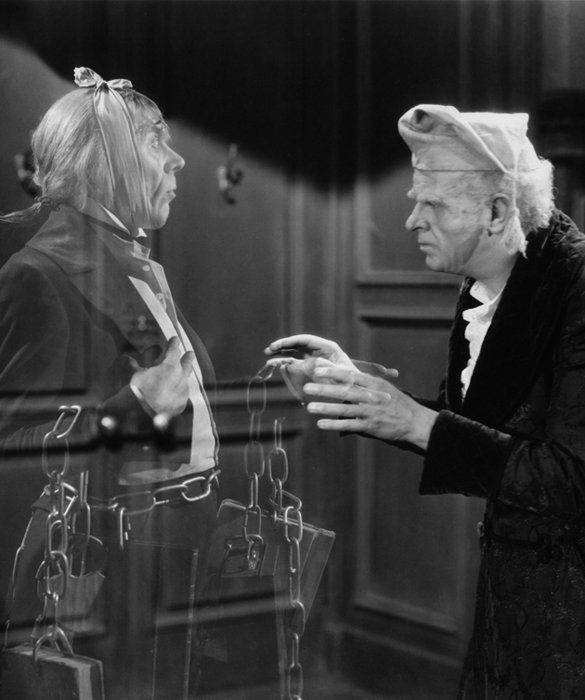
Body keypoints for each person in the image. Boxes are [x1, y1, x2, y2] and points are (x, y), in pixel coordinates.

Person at [266, 104, 585, 696]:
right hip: (518, 594)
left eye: (431, 205)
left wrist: (414, 421)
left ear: (497, 212)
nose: (412, 220)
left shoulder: (576, 286)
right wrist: (359, 391)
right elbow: (474, 432)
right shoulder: (489, 282)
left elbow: (570, 477)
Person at [0, 67, 220, 697]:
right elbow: (12, 452)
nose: (178, 159)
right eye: (156, 140)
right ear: (108, 161)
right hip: (104, 583)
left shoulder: (128, 258)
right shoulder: (38, 275)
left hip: (174, 560)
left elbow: (186, 397)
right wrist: (134, 406)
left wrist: (286, 386)